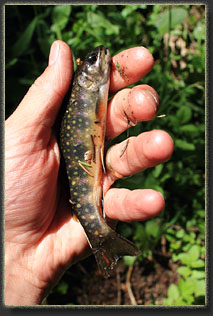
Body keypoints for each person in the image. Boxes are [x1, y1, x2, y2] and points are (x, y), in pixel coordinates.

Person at [5, 40, 174, 305]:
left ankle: (102, 239)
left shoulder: (88, 88)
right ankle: (103, 239)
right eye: (94, 59)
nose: (102, 56)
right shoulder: (85, 88)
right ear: (85, 77)